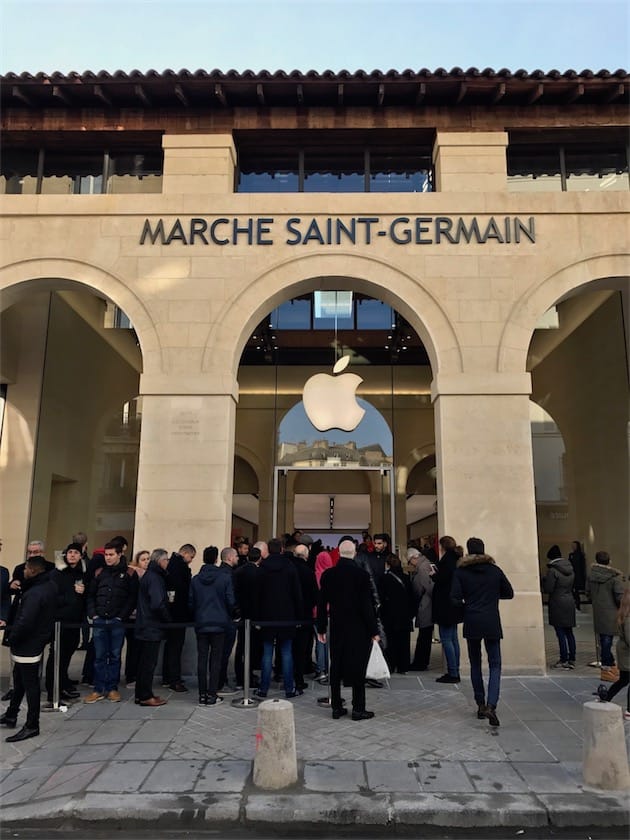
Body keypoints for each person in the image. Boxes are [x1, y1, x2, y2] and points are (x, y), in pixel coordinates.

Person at [451, 536, 514, 728]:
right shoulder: (494, 570)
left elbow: (454, 597)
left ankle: (480, 703)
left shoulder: (461, 572)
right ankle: (491, 704)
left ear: (469, 551)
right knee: (495, 664)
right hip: (491, 619)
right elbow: (509, 593)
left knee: (475, 663)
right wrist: (492, 597)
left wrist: (468, 606)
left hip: (472, 619)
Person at [317, 539, 379, 721]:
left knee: (336, 664)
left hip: (337, 625)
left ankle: (336, 707)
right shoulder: (361, 575)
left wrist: (321, 627)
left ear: (338, 553)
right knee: (358, 666)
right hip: (358, 627)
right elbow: (366, 605)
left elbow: (321, 604)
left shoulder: (328, 575)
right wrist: (374, 630)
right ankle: (358, 708)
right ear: (354, 553)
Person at [0, 555, 57, 742]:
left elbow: (25, 621)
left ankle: (32, 725)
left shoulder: (34, 593)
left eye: (26, 568)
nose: (23, 570)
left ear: (32, 570)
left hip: (28, 644)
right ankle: (11, 713)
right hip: (35, 640)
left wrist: (13, 637)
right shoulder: (48, 586)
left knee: (30, 685)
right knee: (20, 680)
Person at [84, 540, 138, 704]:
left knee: (115, 656)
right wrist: (93, 614)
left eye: (111, 554)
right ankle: (98, 688)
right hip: (100, 619)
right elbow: (91, 595)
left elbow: (132, 597)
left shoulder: (129, 573)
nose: (108, 558)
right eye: (106, 555)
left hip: (117, 620)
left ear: (119, 554)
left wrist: (121, 616)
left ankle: (112, 688)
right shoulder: (99, 572)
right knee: (99, 656)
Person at [254, 537, 303, 699]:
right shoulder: (290, 566)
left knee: (267, 652)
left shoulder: (262, 568)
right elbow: (296, 593)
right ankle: (289, 688)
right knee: (286, 652)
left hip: (267, 616)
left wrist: (257, 616)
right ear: (282, 549)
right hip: (287, 615)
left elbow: (258, 595)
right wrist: (299, 616)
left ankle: (263, 688)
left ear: (268, 550)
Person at [189, 545, 236, 705]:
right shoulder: (224, 578)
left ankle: (202, 694)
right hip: (219, 622)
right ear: (216, 559)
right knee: (216, 659)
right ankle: (212, 693)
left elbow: (191, 602)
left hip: (202, 622)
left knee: (202, 658)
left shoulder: (196, 579)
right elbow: (230, 600)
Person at [45, 543, 86, 704]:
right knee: (56, 656)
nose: (72, 555)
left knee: (67, 654)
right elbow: (52, 595)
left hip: (75, 621)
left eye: (76, 552)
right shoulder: (57, 573)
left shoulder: (81, 573)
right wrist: (71, 596)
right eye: (70, 552)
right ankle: (52, 691)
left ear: (80, 556)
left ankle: (62, 685)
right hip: (59, 620)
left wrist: (83, 592)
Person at [135, 548, 171, 707]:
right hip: (152, 626)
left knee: (144, 663)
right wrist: (167, 619)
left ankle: (142, 693)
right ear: (161, 561)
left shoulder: (149, 575)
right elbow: (157, 603)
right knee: (148, 663)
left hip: (146, 624)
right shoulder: (155, 578)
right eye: (166, 560)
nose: (167, 563)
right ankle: (145, 695)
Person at [586, 550, 625, 682]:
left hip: (598, 611)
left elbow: (588, 593)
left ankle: (610, 665)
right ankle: (607, 668)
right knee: (607, 641)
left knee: (604, 640)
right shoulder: (614, 578)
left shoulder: (591, 576)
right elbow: (619, 597)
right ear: (609, 561)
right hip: (611, 611)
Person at [162, 543, 195, 692]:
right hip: (178, 614)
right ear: (185, 553)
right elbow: (183, 591)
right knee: (175, 646)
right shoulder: (180, 568)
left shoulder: (171, 565)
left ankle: (168, 676)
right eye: (191, 557)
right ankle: (174, 679)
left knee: (170, 646)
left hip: (172, 613)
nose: (191, 560)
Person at [432, 536, 464, 683]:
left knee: (446, 639)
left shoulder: (447, 562)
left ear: (442, 547)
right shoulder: (457, 560)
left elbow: (442, 580)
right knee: (453, 639)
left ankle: (453, 672)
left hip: (445, 605)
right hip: (454, 604)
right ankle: (455, 669)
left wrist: (434, 576)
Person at [598, 584, 630, 720]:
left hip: (624, 652)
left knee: (624, 680)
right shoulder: (629, 617)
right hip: (628, 653)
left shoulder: (624, 613)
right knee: (626, 680)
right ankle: (629, 711)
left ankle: (606, 697)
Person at [543, 544, 576, 669]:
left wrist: (544, 581)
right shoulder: (571, 569)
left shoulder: (553, 571)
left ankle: (563, 659)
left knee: (560, 633)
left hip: (557, 602)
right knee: (569, 632)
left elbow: (549, 588)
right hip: (569, 600)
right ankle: (572, 658)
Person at [378, 554, 413, 674]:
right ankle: (403, 666)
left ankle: (391, 665)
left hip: (390, 615)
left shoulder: (384, 579)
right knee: (404, 642)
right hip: (405, 615)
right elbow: (412, 596)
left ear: (387, 564)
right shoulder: (406, 578)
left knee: (391, 641)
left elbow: (381, 598)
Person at [290, 543, 318, 690]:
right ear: (306, 555)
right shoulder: (308, 571)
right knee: (301, 648)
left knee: (288, 647)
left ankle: (287, 676)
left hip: (289, 614)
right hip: (305, 614)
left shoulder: (289, 569)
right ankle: (299, 678)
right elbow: (314, 594)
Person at [233, 545, 261, 689]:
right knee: (252, 648)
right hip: (255, 615)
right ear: (259, 558)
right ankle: (249, 676)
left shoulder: (238, 572)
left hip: (241, 614)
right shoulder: (260, 573)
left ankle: (239, 676)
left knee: (241, 646)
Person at [124, 550, 150, 687]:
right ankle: (131, 676)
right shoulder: (135, 574)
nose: (146, 562)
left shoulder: (148, 575)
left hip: (140, 616)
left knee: (138, 648)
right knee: (133, 648)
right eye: (143, 559)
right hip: (133, 616)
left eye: (148, 559)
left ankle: (134, 675)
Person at [408, 546, 435, 671]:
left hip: (425, 604)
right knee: (425, 635)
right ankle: (421, 661)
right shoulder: (426, 564)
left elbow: (423, 588)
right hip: (427, 604)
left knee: (424, 636)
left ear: (414, 558)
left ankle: (420, 662)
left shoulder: (422, 568)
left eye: (410, 561)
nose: (411, 564)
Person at [217, 546, 239, 695]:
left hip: (217, 618)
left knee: (219, 652)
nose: (237, 558)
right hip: (227, 618)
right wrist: (236, 613)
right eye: (236, 556)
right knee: (224, 652)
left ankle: (218, 681)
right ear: (230, 558)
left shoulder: (218, 573)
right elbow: (231, 599)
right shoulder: (230, 575)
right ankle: (221, 682)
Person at [314, 549, 334, 681]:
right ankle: (329, 667)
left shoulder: (315, 575)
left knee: (320, 641)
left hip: (317, 612)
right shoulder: (333, 576)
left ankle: (320, 670)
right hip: (331, 612)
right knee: (329, 642)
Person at [568, 540, 587, 610]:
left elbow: (582, 567)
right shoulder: (571, 555)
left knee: (576, 591)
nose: (573, 547)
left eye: (574, 545)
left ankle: (577, 604)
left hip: (578, 575)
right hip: (572, 574)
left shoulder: (580, 555)